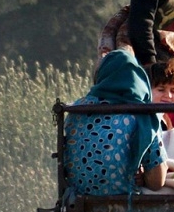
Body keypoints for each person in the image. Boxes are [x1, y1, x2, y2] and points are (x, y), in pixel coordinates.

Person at [64, 49, 166, 195]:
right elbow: (157, 182)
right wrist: (144, 177)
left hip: (79, 198)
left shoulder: (76, 110)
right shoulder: (142, 115)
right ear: (137, 77)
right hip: (125, 203)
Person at [148, 58, 174, 130]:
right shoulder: (144, 119)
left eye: (173, 91)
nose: (168, 95)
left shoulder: (167, 119)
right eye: (161, 90)